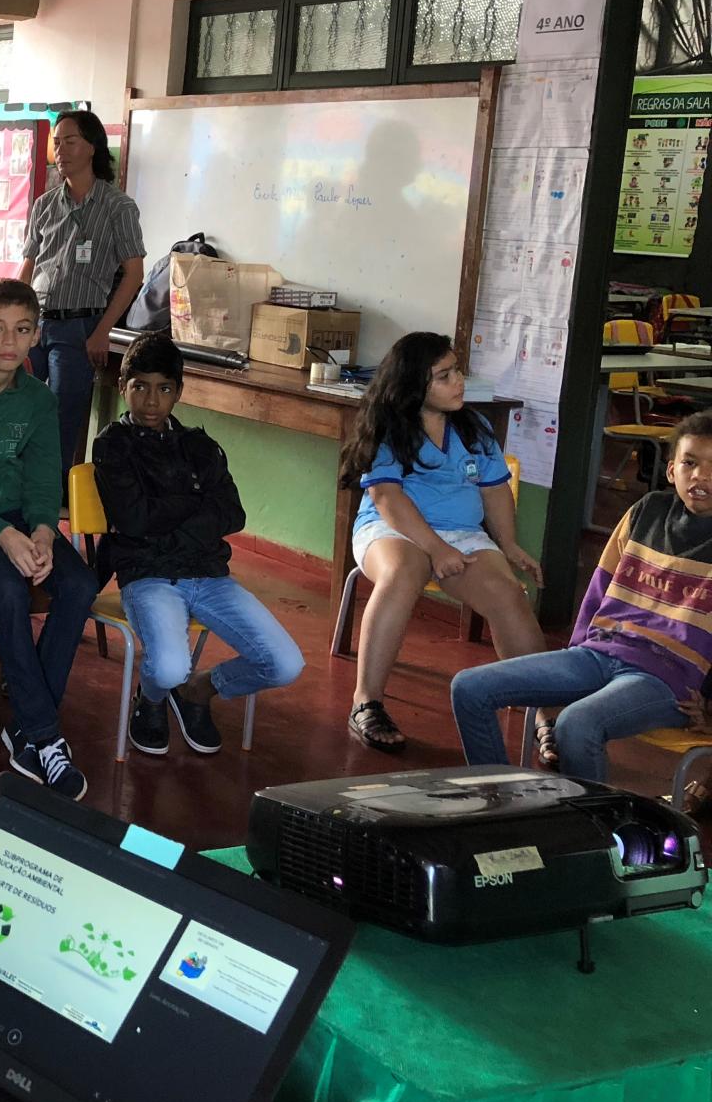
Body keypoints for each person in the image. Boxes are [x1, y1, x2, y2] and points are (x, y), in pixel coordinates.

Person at [452, 411, 712, 783]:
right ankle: (497, 799)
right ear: (671, 471)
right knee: (469, 688)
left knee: (576, 723)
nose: (701, 476)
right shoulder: (646, 511)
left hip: (666, 681)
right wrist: (578, 652)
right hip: (599, 654)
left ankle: (590, 820)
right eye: (690, 463)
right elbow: (599, 589)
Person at [93, 333, 303, 756]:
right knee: (168, 667)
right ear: (122, 386)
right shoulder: (112, 446)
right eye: (140, 387)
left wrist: (165, 516)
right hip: (148, 575)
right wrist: (195, 505)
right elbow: (134, 521)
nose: (151, 401)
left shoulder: (199, 446)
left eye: (164, 389)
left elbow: (233, 514)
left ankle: (197, 691)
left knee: (286, 664)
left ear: (179, 392)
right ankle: (152, 697)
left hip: (208, 575)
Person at [339, 331, 543, 753]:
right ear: (413, 384)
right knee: (403, 572)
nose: (459, 381)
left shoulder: (474, 427)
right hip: (390, 528)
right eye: (444, 376)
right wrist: (435, 549)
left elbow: (495, 490)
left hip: (462, 534)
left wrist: (509, 545)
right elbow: (387, 497)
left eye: (458, 371)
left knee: (508, 593)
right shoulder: (389, 428)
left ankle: (547, 715)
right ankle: (366, 702)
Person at [0, 279, 99, 799]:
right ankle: (45, 735)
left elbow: (44, 479)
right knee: (6, 590)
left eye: (22, 329)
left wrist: (45, 532)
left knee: (79, 584)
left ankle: (27, 725)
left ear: (36, 335)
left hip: (23, 518)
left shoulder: (39, 399)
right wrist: (7, 537)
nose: (9, 341)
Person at [19, 110, 146, 470]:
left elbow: (134, 274)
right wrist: (14, 321)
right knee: (16, 408)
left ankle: (52, 499)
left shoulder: (118, 207)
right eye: (57, 143)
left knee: (61, 421)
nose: (60, 150)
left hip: (79, 328)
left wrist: (102, 331)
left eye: (70, 141)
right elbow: (28, 267)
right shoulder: (44, 205)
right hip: (35, 325)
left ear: (92, 147)